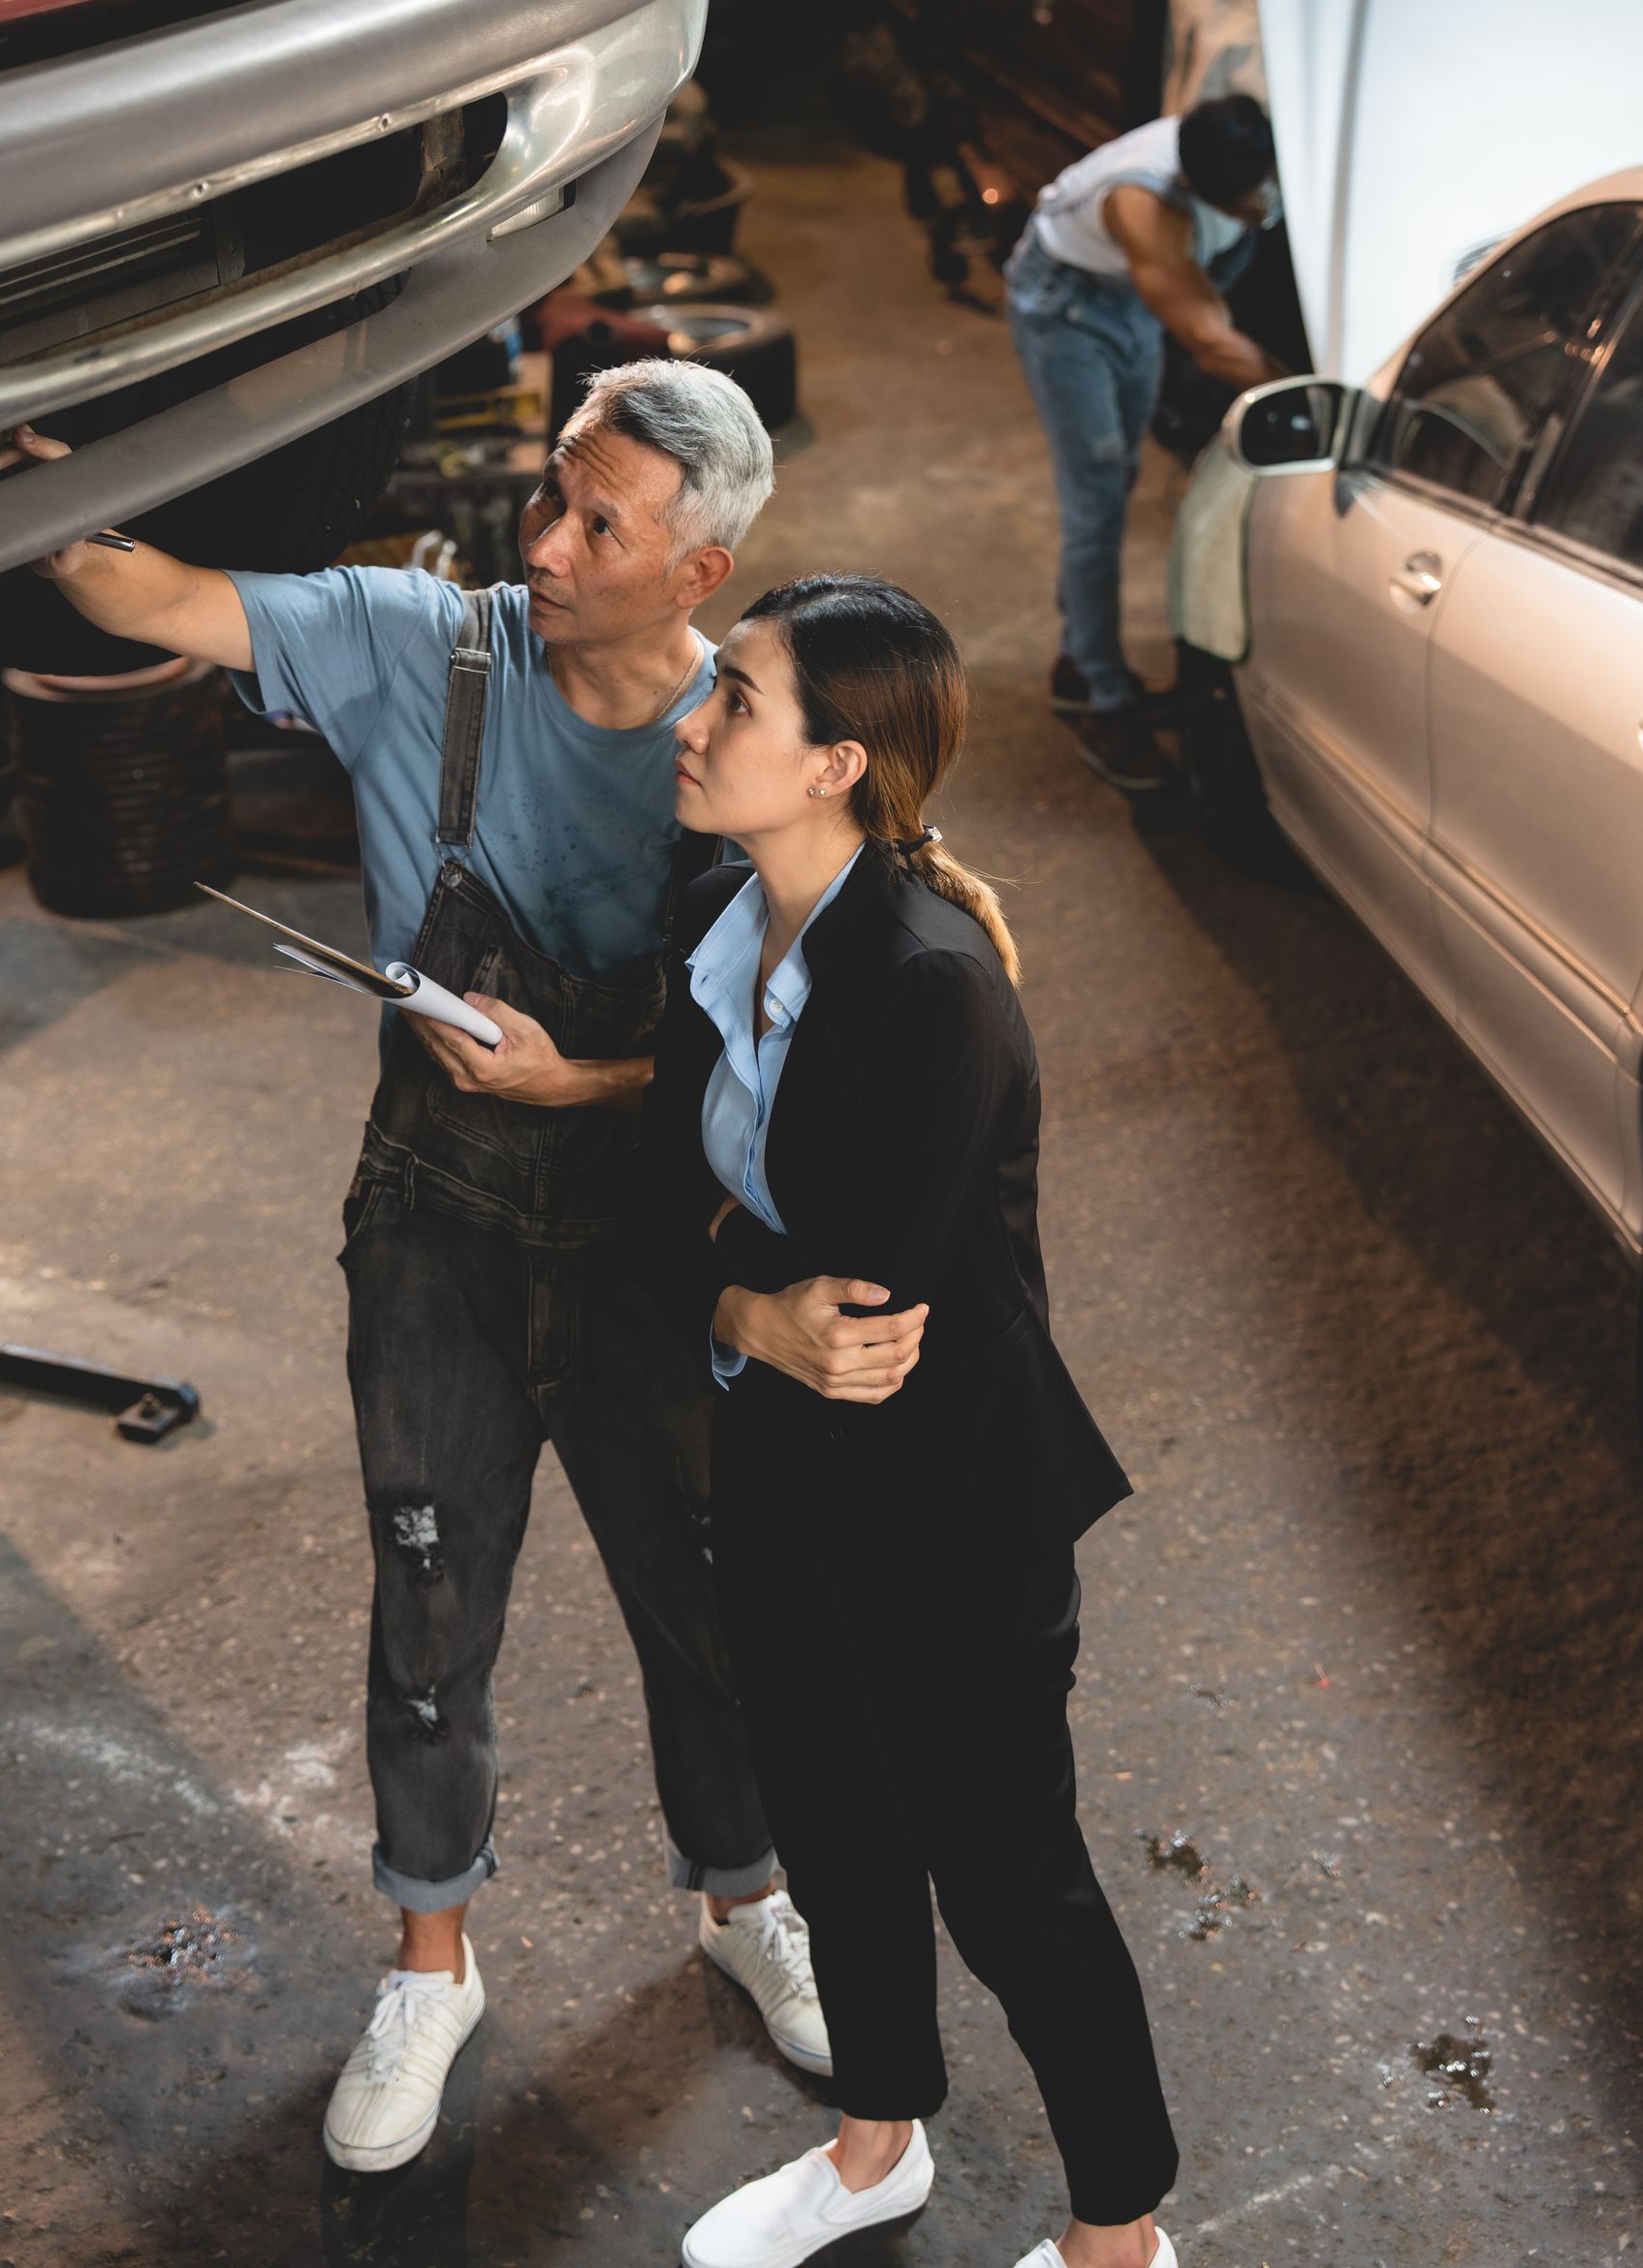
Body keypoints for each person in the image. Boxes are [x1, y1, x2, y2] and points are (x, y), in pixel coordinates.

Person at [11, 365, 833, 2176]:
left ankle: (743, 1900)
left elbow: (783, 1049)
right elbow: (138, 594)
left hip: (652, 1240)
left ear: (697, 570)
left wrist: (588, 1077)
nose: (541, 542)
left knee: (708, 1600)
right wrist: (16, 459)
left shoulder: (752, 743)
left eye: (596, 524)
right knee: (430, 1595)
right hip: (436, 1224)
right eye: (551, 492)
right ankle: (431, 1963)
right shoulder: (421, 648)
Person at [641, 574, 1181, 2268]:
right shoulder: (713, 920)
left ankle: (1122, 2237)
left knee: (1011, 1884)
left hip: (951, 1517)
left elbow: (856, 1305)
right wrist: (737, 1302)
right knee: (840, 1836)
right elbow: (669, 1206)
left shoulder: (928, 984)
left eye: (732, 699)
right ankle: (877, 2147)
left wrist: (725, 1279)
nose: (691, 721)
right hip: (782, 1482)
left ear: (835, 766)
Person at [1005, 93, 1286, 793]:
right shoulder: (1142, 203)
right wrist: (1309, 394)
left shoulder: (1246, 146)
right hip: (1067, 308)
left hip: (1130, 297)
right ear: (1193, 186)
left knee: (1120, 477)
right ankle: (1106, 705)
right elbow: (1209, 340)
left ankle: (1078, 664)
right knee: (1096, 501)